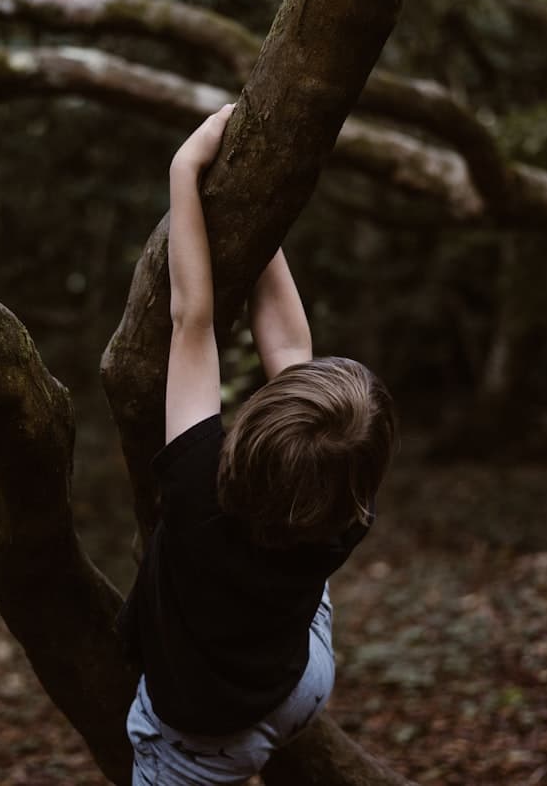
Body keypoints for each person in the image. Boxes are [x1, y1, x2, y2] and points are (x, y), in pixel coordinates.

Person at [118, 104, 397, 785]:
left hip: (203, 737)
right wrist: (252, 215)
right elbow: (281, 344)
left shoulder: (196, 491)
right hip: (299, 679)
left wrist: (187, 170)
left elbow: (193, 321)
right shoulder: (345, 510)